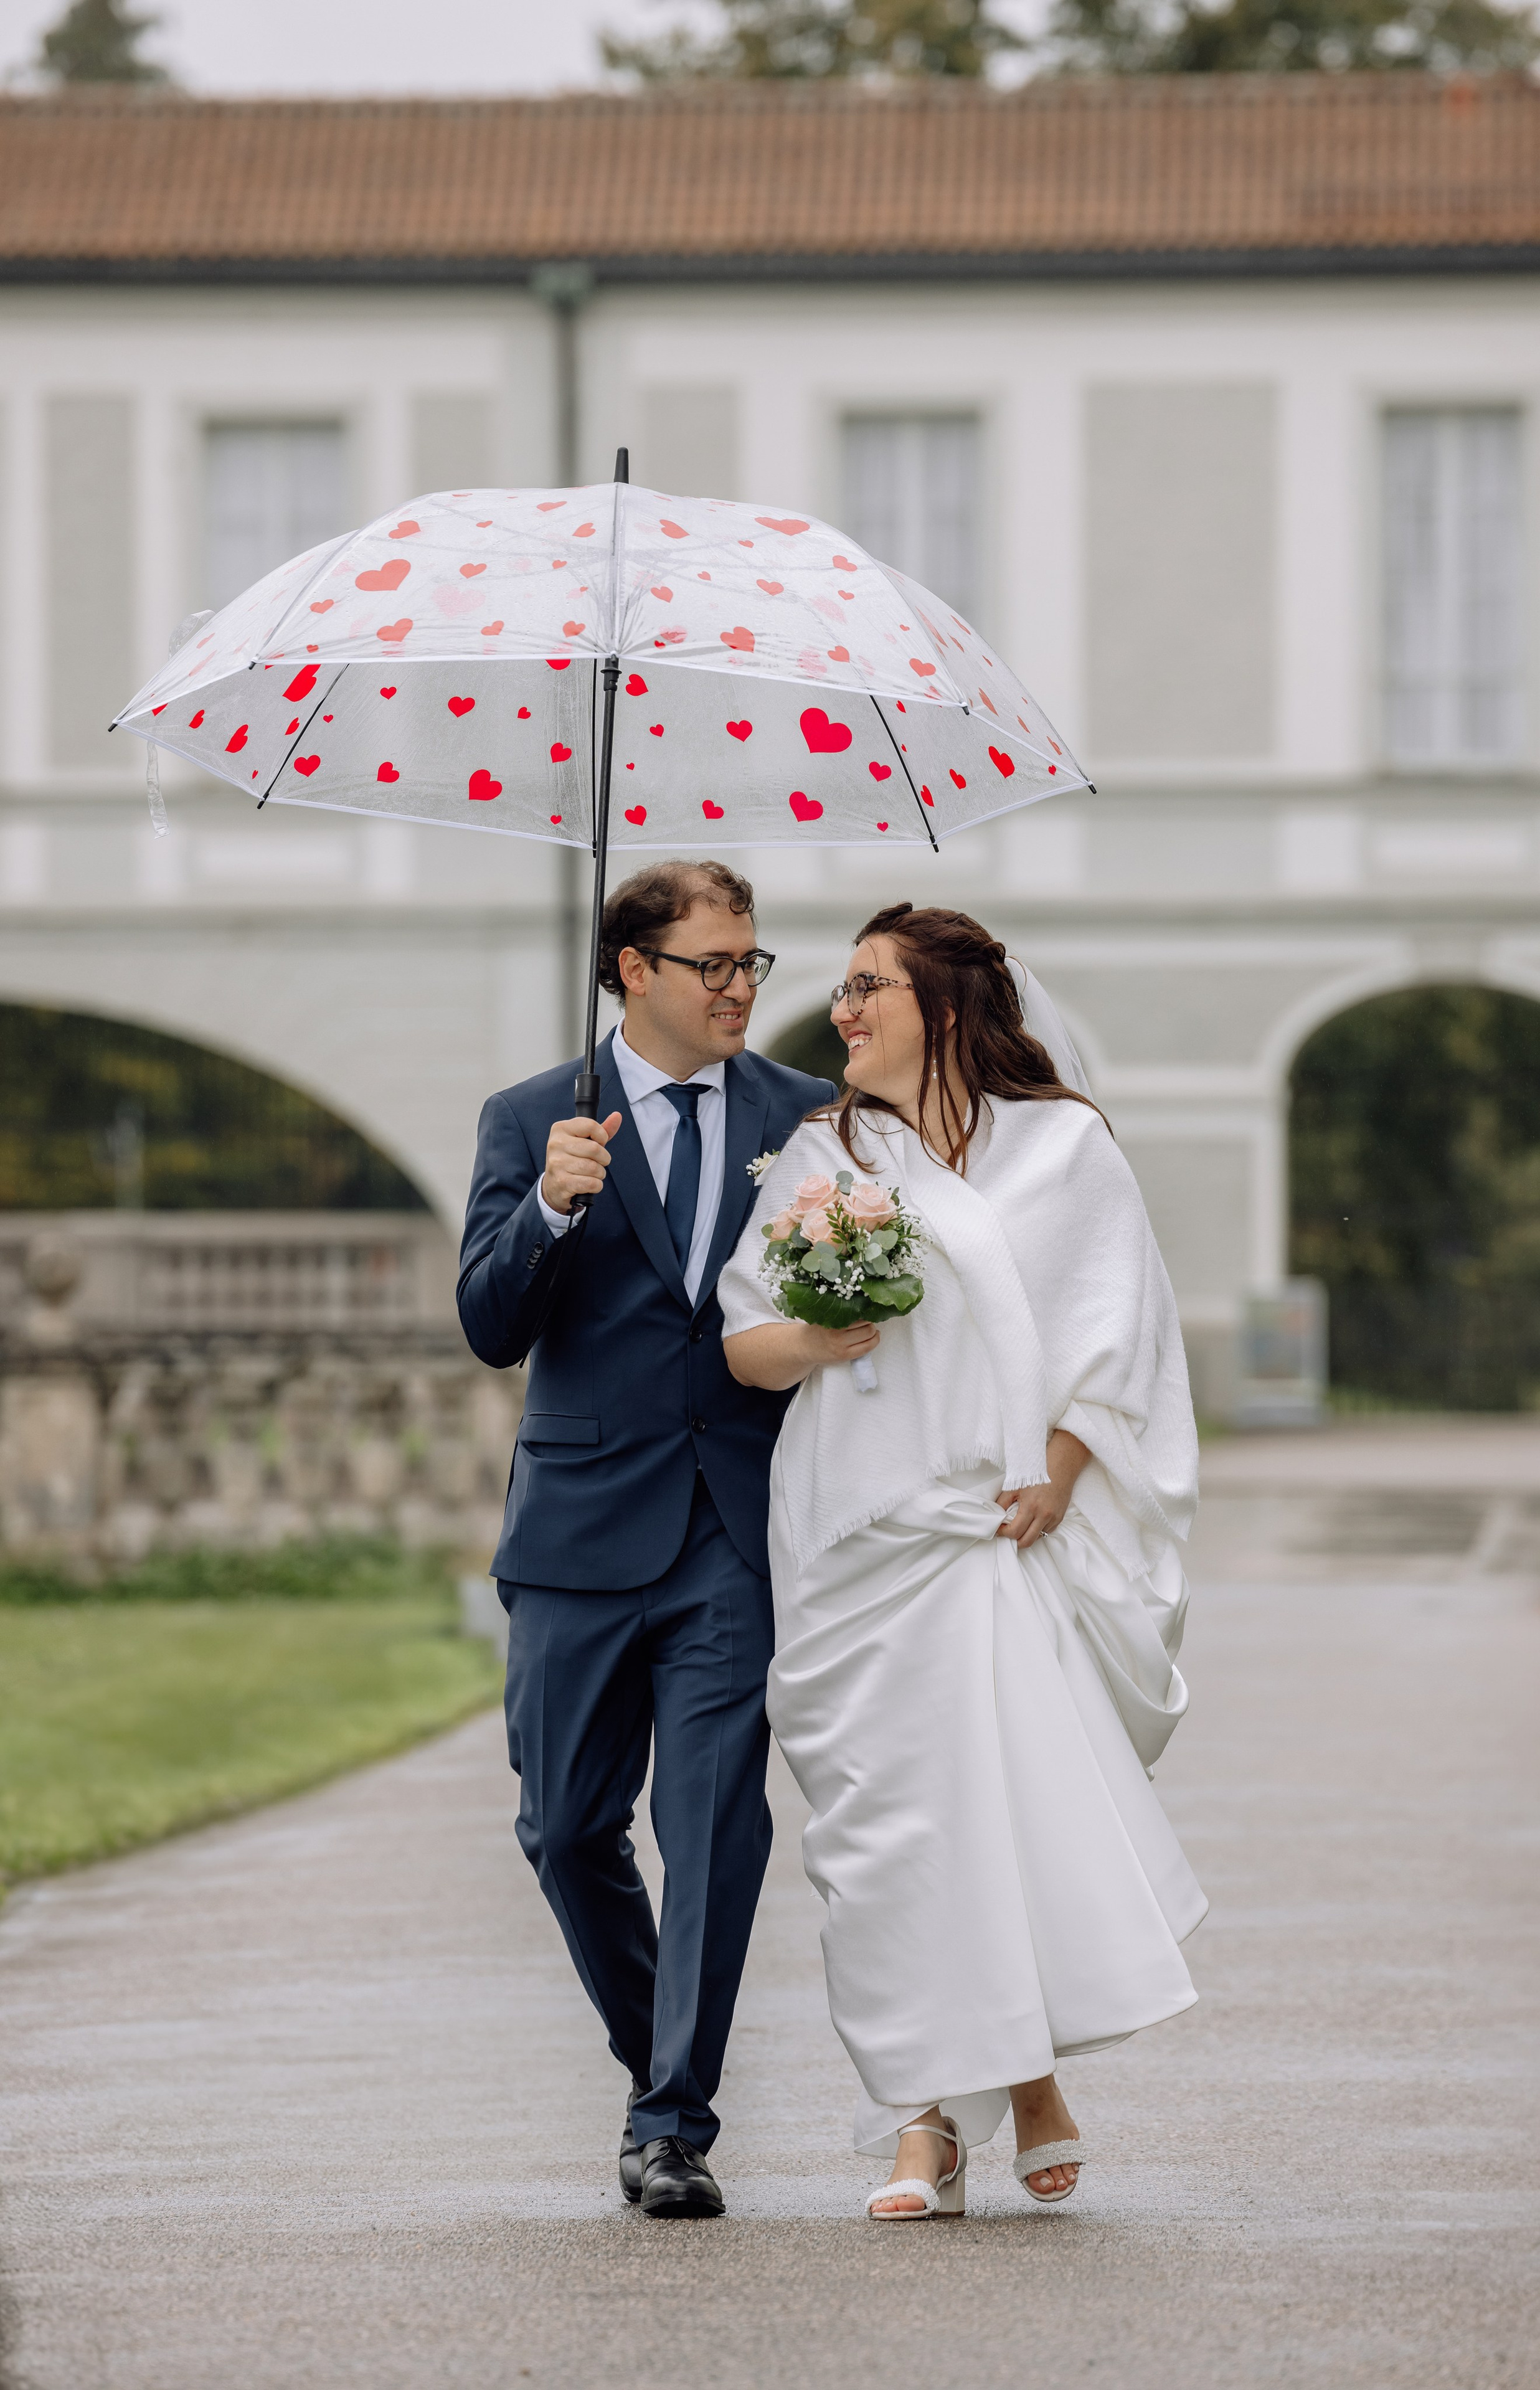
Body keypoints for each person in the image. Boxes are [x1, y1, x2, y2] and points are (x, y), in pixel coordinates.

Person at [719, 902, 1205, 2221]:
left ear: (943, 1001)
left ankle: (946, 2114)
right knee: (878, 1832)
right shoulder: (825, 1151)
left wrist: (1057, 1467)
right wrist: (823, 1334)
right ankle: (973, 2094)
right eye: (843, 985)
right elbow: (743, 1338)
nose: (841, 1008)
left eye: (868, 983)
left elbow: (1122, 1335)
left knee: (992, 1810)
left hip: (997, 1528)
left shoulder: (1065, 1150)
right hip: (852, 1527)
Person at [457, 859, 833, 2221]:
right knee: (564, 1828)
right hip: (574, 1530)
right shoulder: (531, 1117)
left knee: (716, 1826)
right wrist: (549, 1207)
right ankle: (650, 2063)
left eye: (751, 963)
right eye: (714, 965)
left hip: (734, 1526)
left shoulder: (807, 1120)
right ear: (632, 970)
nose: (741, 986)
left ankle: (674, 2119)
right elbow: (490, 1325)